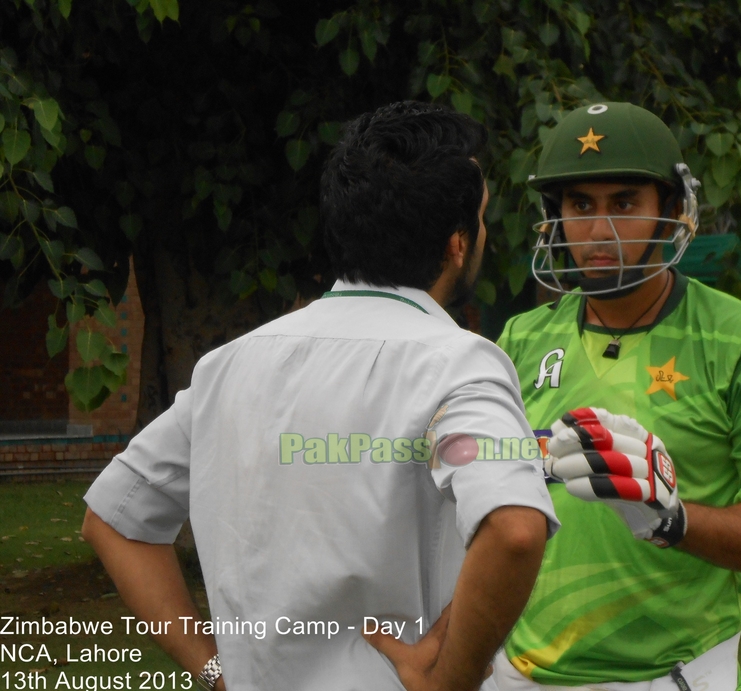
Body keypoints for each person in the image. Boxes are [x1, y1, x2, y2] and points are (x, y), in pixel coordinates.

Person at [82, 101, 560, 691]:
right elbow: (514, 529)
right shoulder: (456, 362)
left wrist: (216, 671)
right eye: (483, 217)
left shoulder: (229, 365)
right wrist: (451, 679)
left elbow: (113, 518)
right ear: (458, 243)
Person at [493, 102, 741, 691]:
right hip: (520, 674)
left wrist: (674, 520)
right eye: (580, 205)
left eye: (623, 203)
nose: (597, 231)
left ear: (674, 210)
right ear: (555, 215)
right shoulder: (521, 338)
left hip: (674, 678)